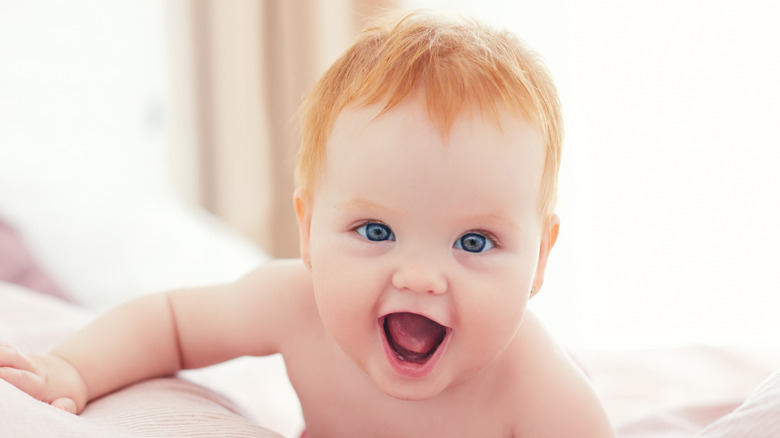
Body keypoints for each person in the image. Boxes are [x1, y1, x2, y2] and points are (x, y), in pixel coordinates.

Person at [0, 10, 615, 437]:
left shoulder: (539, 390)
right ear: (309, 228)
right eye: (375, 231)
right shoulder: (294, 305)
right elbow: (169, 324)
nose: (422, 277)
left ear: (539, 259)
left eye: (475, 241)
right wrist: (75, 368)